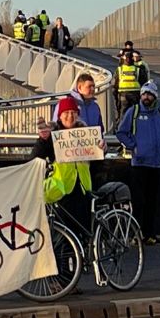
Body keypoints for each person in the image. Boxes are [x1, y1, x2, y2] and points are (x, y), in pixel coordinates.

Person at [35, 96, 104, 237]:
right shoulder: (53, 135)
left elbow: (96, 164)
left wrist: (102, 149)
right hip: (62, 193)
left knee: (84, 237)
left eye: (73, 112)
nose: (70, 116)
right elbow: (36, 156)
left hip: (83, 191)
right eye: (66, 113)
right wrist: (43, 140)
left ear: (78, 114)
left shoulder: (86, 134)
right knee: (63, 241)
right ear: (60, 115)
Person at [116, 81, 160, 245]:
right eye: (144, 94)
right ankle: (136, 234)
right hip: (140, 163)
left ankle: (150, 234)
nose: (146, 97)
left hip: (157, 163)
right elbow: (121, 132)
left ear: (155, 96)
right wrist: (134, 146)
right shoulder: (134, 112)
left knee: (153, 201)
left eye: (149, 94)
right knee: (139, 201)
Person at [114, 51, 142, 129]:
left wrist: (115, 96)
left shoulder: (120, 69)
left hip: (123, 94)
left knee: (123, 112)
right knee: (135, 113)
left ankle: (121, 129)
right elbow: (142, 81)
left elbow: (115, 83)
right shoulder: (137, 69)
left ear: (125, 59)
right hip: (135, 94)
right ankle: (135, 129)